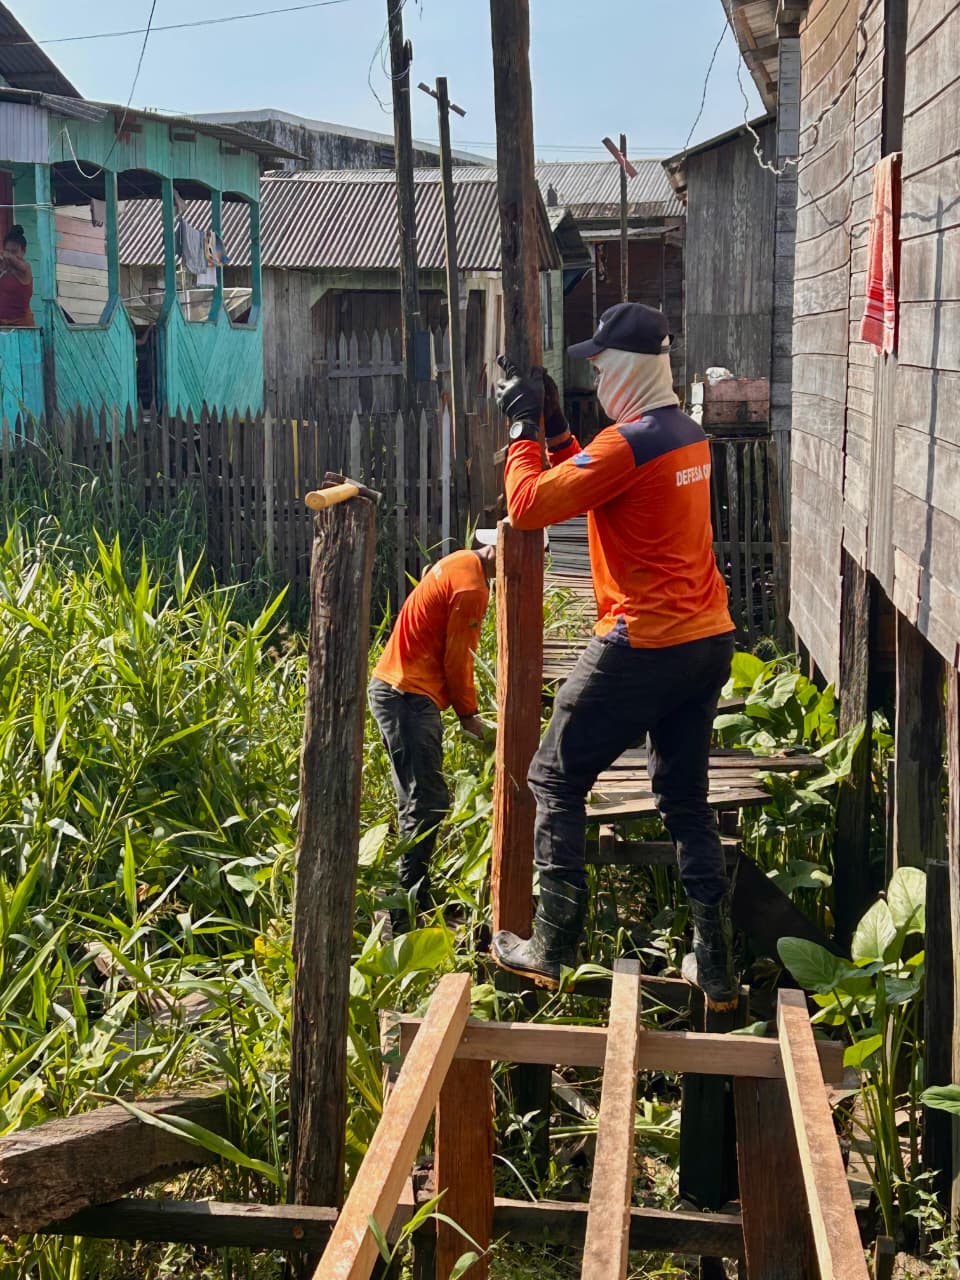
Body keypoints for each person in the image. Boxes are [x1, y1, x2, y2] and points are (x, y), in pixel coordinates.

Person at [490, 303, 738, 1009]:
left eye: (599, 366)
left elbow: (531, 505)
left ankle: (553, 944)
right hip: (706, 636)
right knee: (686, 800)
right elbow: (597, 480)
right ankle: (713, 966)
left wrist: (519, 431)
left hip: (646, 639)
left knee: (554, 777)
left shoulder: (630, 444)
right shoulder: (686, 435)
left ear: (626, 368)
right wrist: (561, 431)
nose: (595, 375)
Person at [369, 540, 497, 928]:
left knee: (418, 799)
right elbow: (460, 658)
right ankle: (403, 911)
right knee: (427, 801)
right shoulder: (472, 588)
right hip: (407, 695)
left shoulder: (460, 560)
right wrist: (469, 715)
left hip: (397, 687)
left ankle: (412, 895)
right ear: (504, 552)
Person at [0, 225, 34, 328]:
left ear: (23, 251)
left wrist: (7, 255)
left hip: (22, 327)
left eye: (14, 251)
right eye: (7, 250)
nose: (10, 255)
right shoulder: (4, 267)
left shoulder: (25, 267)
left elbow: (17, 264)